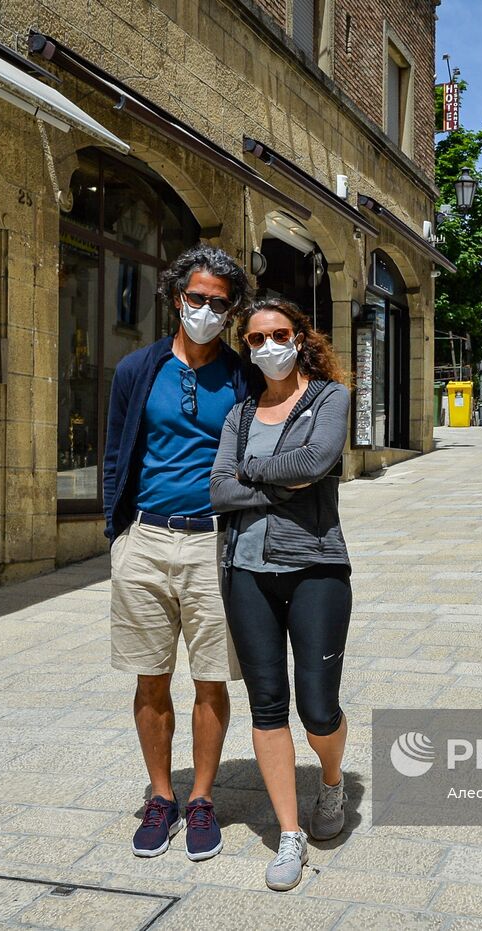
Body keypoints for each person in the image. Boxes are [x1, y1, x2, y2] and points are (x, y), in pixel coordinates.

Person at [104, 244, 261, 863]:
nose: (205, 310)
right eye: (196, 298)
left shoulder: (245, 377)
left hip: (213, 542)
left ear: (230, 312)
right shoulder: (136, 370)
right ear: (177, 298)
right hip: (144, 539)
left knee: (212, 679)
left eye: (218, 304)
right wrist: (116, 533)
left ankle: (200, 798)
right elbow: (119, 450)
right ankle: (160, 797)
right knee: (150, 678)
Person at [210, 298, 353, 892]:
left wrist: (251, 472)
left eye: (279, 334)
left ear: (300, 338)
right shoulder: (240, 415)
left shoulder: (329, 398)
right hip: (245, 570)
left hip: (316, 565)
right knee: (267, 704)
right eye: (256, 338)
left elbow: (316, 460)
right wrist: (278, 478)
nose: (268, 345)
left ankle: (332, 777)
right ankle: (289, 833)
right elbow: (219, 491)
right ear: (246, 346)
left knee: (317, 707)